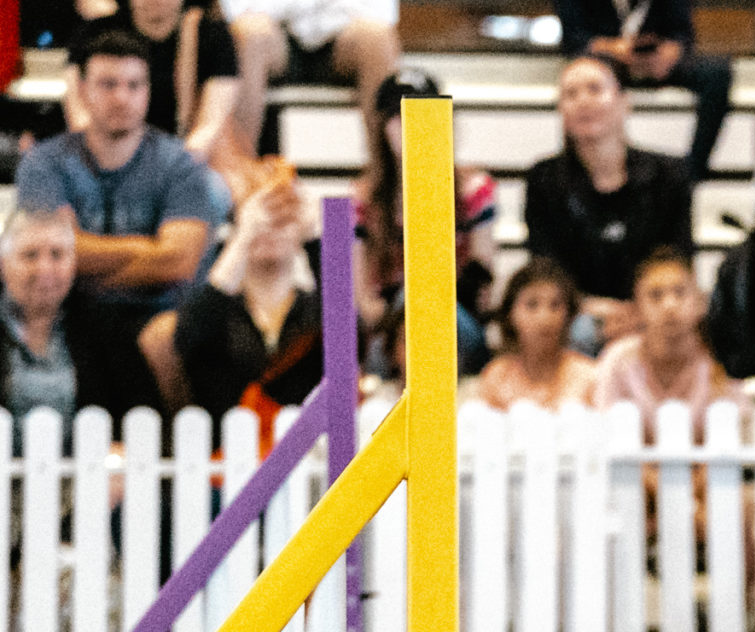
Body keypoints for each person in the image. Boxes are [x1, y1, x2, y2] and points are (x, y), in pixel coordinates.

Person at [15, 28, 225, 418]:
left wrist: (84, 256)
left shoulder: (179, 166)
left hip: (158, 313)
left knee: (164, 336)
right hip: (69, 310)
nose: (122, 98)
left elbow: (179, 261)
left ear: (148, 90)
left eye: (134, 85)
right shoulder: (45, 162)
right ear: (81, 89)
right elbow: (53, 254)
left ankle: (173, 452)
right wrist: (146, 248)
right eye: (108, 84)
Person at [523, 56, 694, 356]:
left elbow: (676, 258)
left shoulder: (668, 175)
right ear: (561, 110)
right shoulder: (544, 179)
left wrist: (641, 309)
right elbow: (545, 266)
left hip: (650, 307)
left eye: (594, 89)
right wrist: (595, 308)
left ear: (624, 102)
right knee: (581, 332)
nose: (583, 101)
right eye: (571, 94)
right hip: (577, 312)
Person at [355, 69, 499, 376]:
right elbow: (363, 303)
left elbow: (483, 283)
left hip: (458, 318)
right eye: (398, 115)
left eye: (421, 113)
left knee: (419, 300)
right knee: (409, 304)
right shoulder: (363, 199)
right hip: (390, 327)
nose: (409, 125)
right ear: (382, 126)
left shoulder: (472, 189)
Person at [172, 167, 321, 420]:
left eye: (283, 217)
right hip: (224, 450)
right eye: (263, 213)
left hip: (307, 448)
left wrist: (316, 233)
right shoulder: (219, 311)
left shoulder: (316, 310)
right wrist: (243, 236)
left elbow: (351, 339)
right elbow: (187, 338)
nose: (271, 226)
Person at [67, 0, 244, 191]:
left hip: (182, 164)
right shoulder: (96, 34)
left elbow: (210, 126)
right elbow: (79, 116)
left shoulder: (212, 34)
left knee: (213, 191)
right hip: (105, 164)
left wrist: (165, 174)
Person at [552, 0, 733, 182]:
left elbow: (682, 35)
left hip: (654, 64)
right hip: (603, 64)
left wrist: (669, 54)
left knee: (717, 73)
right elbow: (573, 40)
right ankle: (576, 175)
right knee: (583, 80)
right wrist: (611, 48)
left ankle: (692, 173)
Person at [225, 0, 398, 160]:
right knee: (249, 32)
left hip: (343, 36)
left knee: (377, 36)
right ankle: (241, 173)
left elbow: (383, 13)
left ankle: (380, 181)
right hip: (274, 37)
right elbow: (237, 10)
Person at [593, 247, 738, 436]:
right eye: (656, 295)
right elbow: (604, 433)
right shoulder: (617, 360)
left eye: (680, 293)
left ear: (700, 302)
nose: (670, 306)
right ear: (637, 308)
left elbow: (735, 436)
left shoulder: (720, 358)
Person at [471, 256, 599, 411]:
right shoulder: (497, 376)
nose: (544, 318)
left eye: (555, 306)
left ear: (569, 315)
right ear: (510, 314)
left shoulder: (588, 376)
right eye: (532, 305)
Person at [0, 207, 85, 425]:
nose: (44, 268)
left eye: (57, 255)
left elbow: (138, 412)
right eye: (30, 255)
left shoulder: (104, 327)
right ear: (3, 265)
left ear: (73, 264)